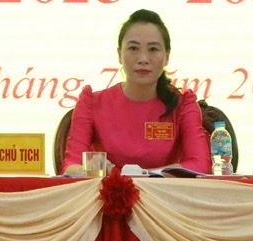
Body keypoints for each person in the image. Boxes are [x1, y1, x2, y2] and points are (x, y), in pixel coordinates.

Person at [60, 10, 209, 175]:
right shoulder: (91, 103)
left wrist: (136, 175)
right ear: (119, 54)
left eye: (153, 49)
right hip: (109, 191)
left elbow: (200, 166)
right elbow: (70, 166)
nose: (143, 59)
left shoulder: (183, 105)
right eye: (133, 48)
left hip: (166, 192)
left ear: (167, 56)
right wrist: (90, 170)